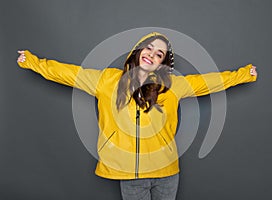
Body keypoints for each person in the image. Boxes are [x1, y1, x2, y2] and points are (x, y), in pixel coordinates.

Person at [17, 32, 257, 200]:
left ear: (163, 63)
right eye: (149, 48)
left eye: (159, 54)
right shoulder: (107, 80)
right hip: (129, 173)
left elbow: (211, 82)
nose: (152, 54)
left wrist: (245, 74)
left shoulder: (174, 84)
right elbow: (67, 73)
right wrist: (32, 62)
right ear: (139, 50)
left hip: (166, 171)